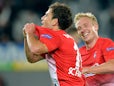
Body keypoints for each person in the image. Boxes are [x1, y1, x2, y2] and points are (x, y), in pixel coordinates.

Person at [23, 2, 85, 86]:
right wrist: (26, 37)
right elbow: (32, 58)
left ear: (54, 22)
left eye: (46, 15)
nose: (42, 18)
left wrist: (29, 32)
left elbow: (35, 49)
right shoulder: (61, 38)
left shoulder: (56, 37)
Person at [74, 12, 114, 86]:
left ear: (96, 26)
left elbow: (112, 66)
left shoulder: (106, 43)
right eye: (79, 28)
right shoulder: (78, 53)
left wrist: (87, 70)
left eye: (85, 25)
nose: (82, 30)